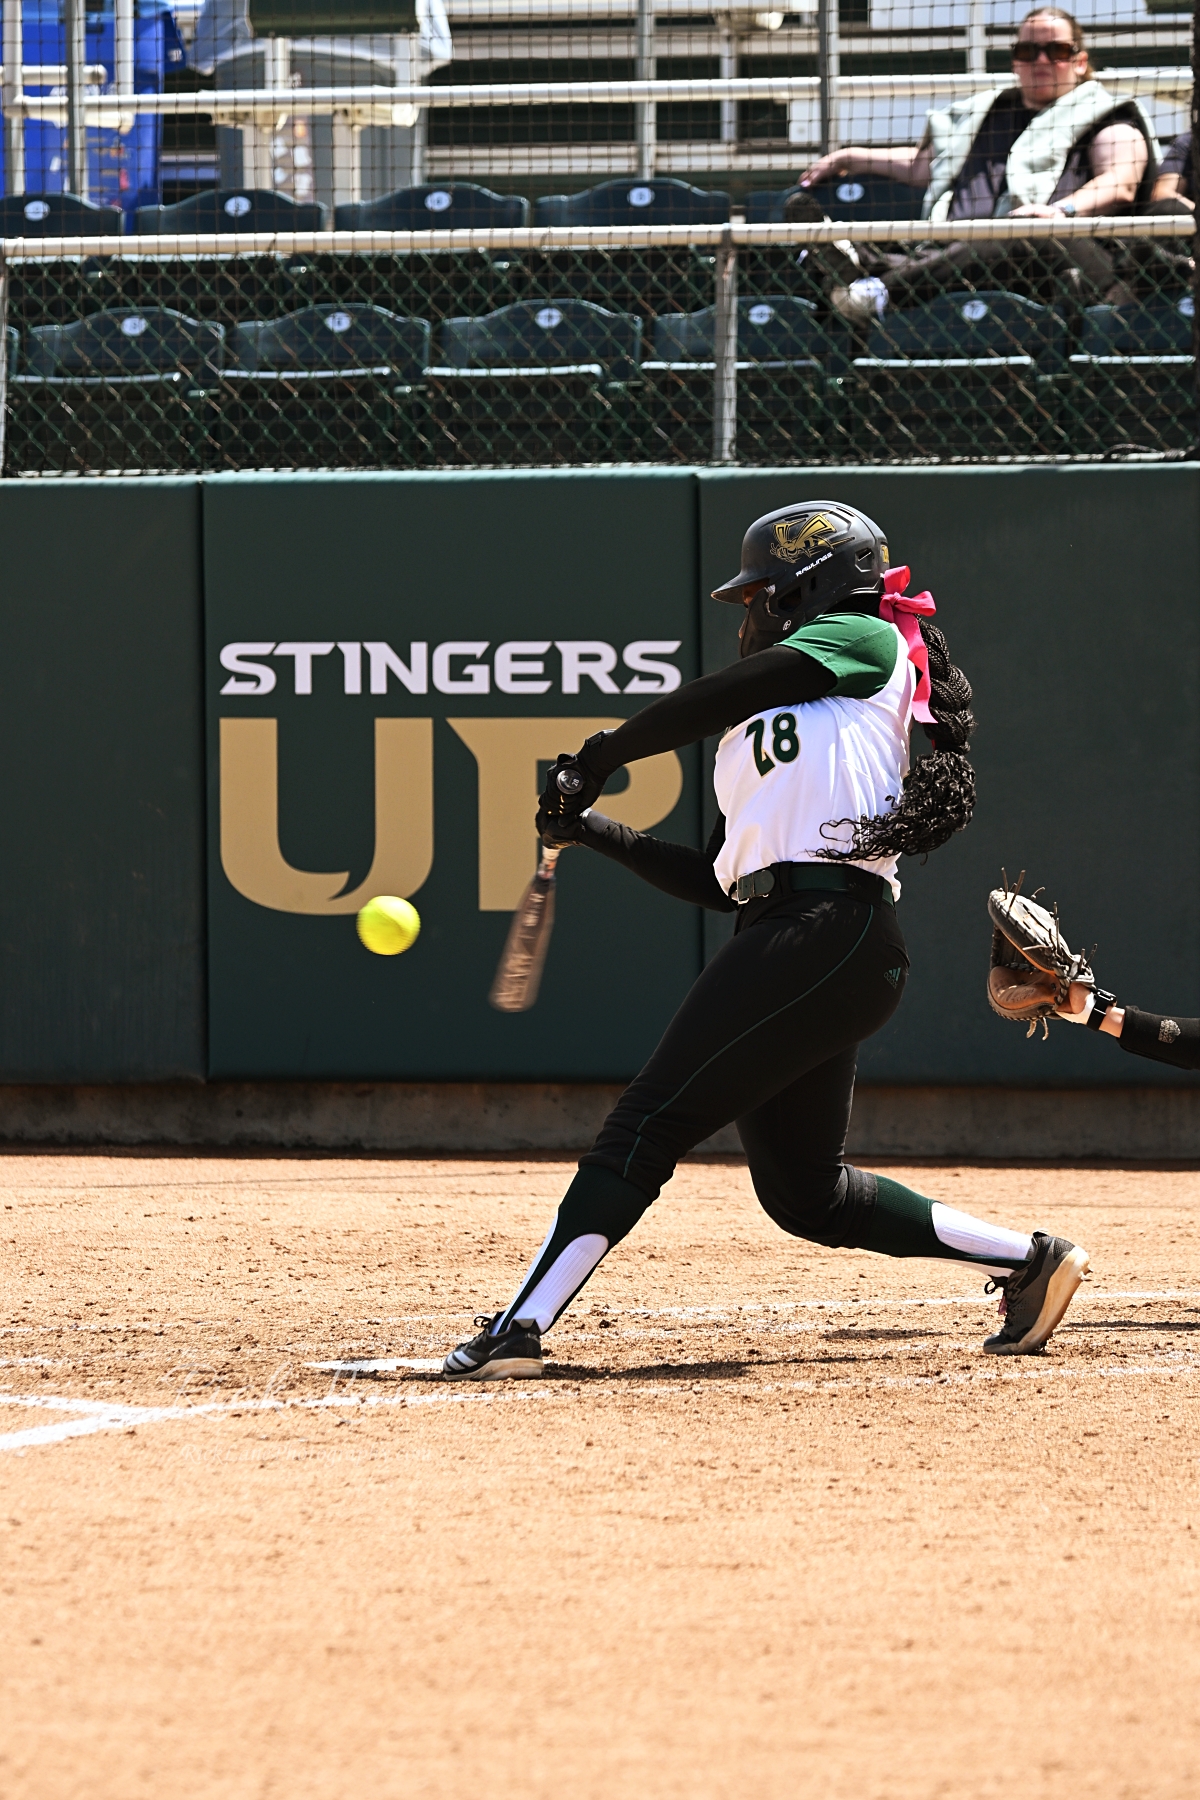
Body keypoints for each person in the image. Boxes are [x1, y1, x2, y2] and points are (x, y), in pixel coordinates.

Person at [442, 500, 1091, 1381]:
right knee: (807, 1195)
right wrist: (589, 828)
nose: (749, 615)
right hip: (806, 943)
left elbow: (727, 691)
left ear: (808, 590)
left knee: (648, 1120)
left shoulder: (865, 637)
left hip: (829, 927)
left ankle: (519, 1327)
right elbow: (717, 880)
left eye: (761, 597)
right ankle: (1029, 1260)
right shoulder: (757, 739)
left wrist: (600, 752)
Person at [793, 6, 1156, 320]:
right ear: (1015, 60)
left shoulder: (1107, 117)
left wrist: (1061, 210)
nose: (1041, 61)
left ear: (1080, 61)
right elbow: (926, 167)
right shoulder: (986, 114)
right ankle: (867, 268)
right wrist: (851, 158)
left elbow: (1120, 181)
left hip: (1058, 255)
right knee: (795, 211)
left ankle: (871, 288)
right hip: (960, 251)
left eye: (1056, 50)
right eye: (1028, 51)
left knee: (1016, 233)